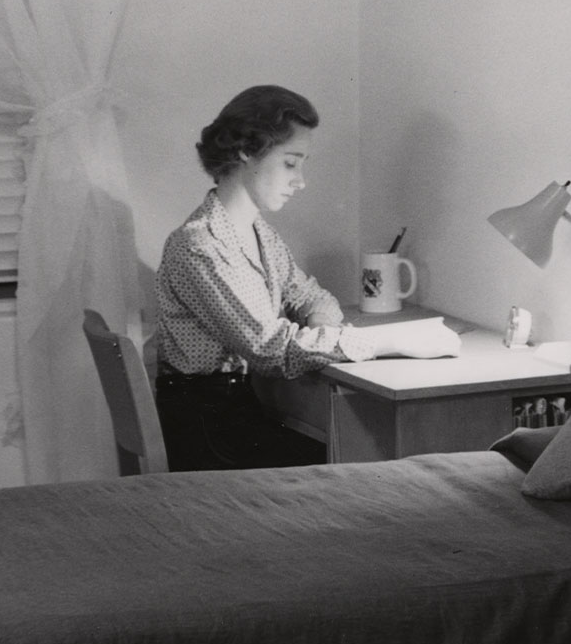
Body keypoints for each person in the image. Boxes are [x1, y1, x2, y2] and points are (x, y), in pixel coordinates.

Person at [154, 85, 458, 472]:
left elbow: (310, 295)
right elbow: (269, 349)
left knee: (351, 458)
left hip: (234, 413)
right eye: (291, 163)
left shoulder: (256, 232)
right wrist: (387, 339)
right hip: (207, 428)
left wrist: (323, 328)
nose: (301, 180)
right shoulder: (202, 245)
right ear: (248, 151)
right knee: (356, 468)